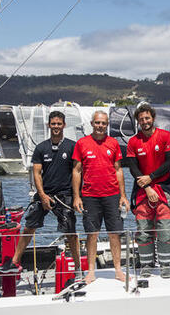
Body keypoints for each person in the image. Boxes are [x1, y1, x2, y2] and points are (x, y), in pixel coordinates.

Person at [0, 111, 80, 275]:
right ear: (49, 125)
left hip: (65, 195)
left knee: (70, 232)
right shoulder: (41, 147)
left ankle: (78, 268)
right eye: (53, 124)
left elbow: (77, 171)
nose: (56, 126)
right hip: (44, 194)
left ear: (63, 125)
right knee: (29, 227)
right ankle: (14, 262)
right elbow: (36, 173)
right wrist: (42, 195)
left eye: (59, 124)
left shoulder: (72, 146)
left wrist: (77, 196)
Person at [72, 110, 129, 284]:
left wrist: (123, 196)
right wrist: (77, 197)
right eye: (97, 123)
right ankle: (90, 271)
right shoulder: (82, 143)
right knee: (92, 234)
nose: (100, 126)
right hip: (90, 196)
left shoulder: (113, 143)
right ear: (92, 123)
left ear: (107, 125)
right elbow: (76, 171)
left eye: (104, 123)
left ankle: (118, 270)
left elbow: (118, 170)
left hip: (112, 195)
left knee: (115, 234)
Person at [126, 104, 170, 279]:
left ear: (153, 118)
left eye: (147, 118)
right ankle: (146, 265)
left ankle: (165, 265)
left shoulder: (166, 136)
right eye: (141, 119)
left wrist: (152, 177)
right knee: (143, 229)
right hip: (142, 190)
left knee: (165, 229)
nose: (144, 121)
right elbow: (133, 168)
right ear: (137, 121)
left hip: (165, 188)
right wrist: (147, 186)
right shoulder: (133, 141)